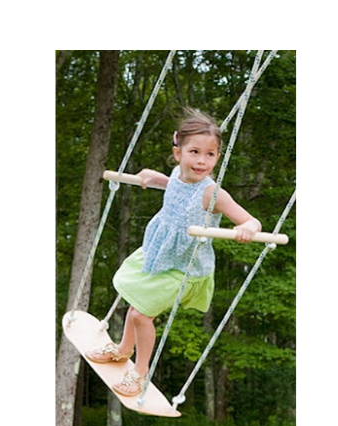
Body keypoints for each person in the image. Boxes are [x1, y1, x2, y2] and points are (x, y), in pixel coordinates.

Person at [86, 109, 262, 397]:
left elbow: (251, 220)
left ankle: (139, 373)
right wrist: (155, 178)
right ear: (177, 153)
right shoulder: (178, 175)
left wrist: (248, 229)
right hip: (159, 254)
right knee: (135, 302)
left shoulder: (212, 193)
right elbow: (175, 187)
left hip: (184, 267)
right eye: (194, 152)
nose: (202, 161)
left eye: (210, 154)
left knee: (141, 315)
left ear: (217, 157)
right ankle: (123, 350)